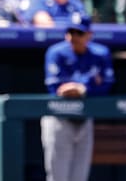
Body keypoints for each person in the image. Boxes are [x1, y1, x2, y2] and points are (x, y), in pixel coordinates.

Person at [41, 13, 115, 181]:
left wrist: (81, 87)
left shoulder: (100, 54)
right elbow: (56, 88)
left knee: (79, 177)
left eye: (79, 33)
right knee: (58, 177)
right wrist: (89, 85)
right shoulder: (56, 52)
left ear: (89, 35)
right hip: (59, 119)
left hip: (84, 119)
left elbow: (107, 85)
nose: (73, 37)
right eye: (70, 32)